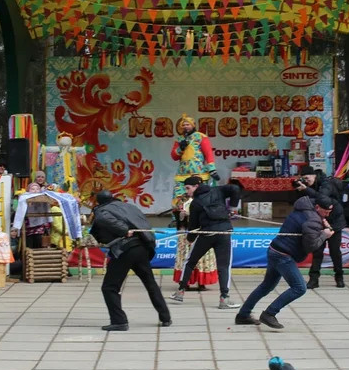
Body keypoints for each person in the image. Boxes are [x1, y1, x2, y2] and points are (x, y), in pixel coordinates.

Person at [235, 196, 333, 329]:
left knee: (266, 286)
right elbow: (312, 246)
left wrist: (321, 225)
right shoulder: (313, 220)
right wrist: (324, 234)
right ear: (317, 207)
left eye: (329, 212)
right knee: (299, 288)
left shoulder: (302, 208)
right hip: (283, 255)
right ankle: (269, 313)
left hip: (275, 250)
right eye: (326, 211)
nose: (327, 214)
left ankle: (243, 314)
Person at [89, 190, 171, 331]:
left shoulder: (102, 211)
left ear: (98, 201)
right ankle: (165, 317)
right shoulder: (129, 207)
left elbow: (104, 219)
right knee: (150, 283)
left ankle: (119, 321)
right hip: (141, 247)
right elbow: (143, 222)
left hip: (125, 249)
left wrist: (124, 230)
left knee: (109, 287)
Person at [172, 175, 242, 309]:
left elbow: (193, 226)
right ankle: (224, 298)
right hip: (224, 232)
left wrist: (190, 240)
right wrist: (233, 207)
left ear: (196, 186)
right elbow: (235, 188)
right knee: (224, 266)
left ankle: (180, 292)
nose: (187, 192)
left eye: (188, 188)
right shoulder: (218, 190)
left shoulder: (195, 203)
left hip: (206, 234)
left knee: (190, 261)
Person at [296, 166, 346, 289]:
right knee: (317, 251)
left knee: (335, 252)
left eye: (307, 178)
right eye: (304, 179)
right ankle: (314, 279)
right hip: (319, 221)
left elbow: (322, 199)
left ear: (313, 175)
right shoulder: (312, 184)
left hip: (334, 221)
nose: (306, 180)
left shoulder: (326, 184)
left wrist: (306, 189)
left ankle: (339, 277)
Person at [170, 114, 219, 216]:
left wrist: (212, 169)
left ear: (193, 125)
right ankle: (179, 220)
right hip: (182, 174)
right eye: (183, 125)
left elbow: (208, 153)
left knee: (200, 196)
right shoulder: (179, 139)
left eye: (188, 124)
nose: (186, 127)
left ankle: (201, 217)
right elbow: (174, 156)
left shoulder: (201, 137)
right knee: (179, 196)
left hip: (199, 173)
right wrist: (180, 149)